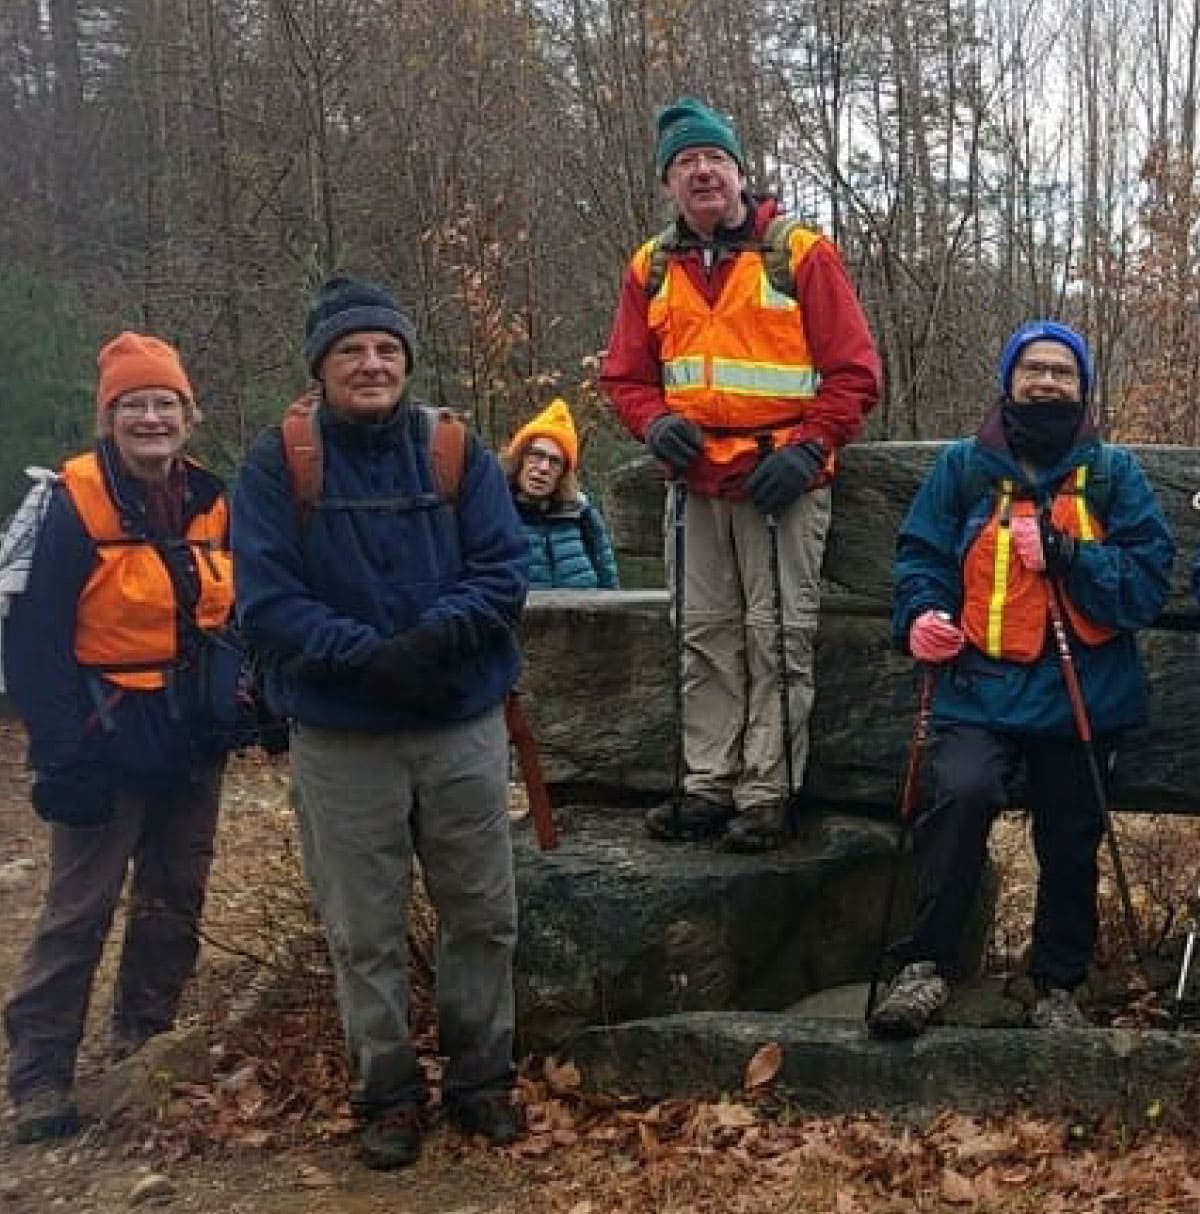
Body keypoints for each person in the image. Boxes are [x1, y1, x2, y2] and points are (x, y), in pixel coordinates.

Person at [231, 276, 529, 1170]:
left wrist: (430, 641)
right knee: (363, 928)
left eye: (387, 351)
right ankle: (389, 1095)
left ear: (406, 362)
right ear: (320, 368)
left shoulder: (453, 450)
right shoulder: (278, 462)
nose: (371, 365)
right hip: (340, 728)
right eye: (352, 352)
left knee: (483, 911)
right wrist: (362, 655)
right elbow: (266, 598)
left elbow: (504, 568)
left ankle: (483, 1081)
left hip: (458, 717)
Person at [870, 320, 1173, 1039]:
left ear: (1082, 386)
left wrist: (1070, 555)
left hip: (1083, 692)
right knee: (963, 791)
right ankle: (927, 967)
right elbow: (920, 558)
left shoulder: (1112, 475)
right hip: (977, 687)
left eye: (1061, 372)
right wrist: (921, 617)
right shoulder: (963, 469)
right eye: (1033, 368)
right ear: (1007, 380)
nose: (1045, 381)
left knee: (1071, 830)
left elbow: (1146, 584)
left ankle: (1057, 983)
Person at [601, 96, 881, 851]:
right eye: (685, 163)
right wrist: (655, 423)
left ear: (739, 172)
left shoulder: (799, 253)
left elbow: (855, 373)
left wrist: (809, 448)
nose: (702, 173)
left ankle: (766, 792)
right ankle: (707, 784)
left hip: (781, 479)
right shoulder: (651, 268)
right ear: (667, 184)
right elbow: (625, 376)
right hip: (695, 482)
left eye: (713, 159)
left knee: (778, 636)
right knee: (703, 636)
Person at [4, 333, 237, 1143]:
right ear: (108, 416)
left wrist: (251, 704)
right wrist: (58, 755)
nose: (150, 417)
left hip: (191, 738)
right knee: (78, 912)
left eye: (163, 403)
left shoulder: (211, 497)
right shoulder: (68, 501)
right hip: (101, 740)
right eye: (133, 404)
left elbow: (231, 615)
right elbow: (32, 641)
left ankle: (144, 1050)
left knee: (175, 901)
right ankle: (39, 1076)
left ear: (187, 414)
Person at [501, 397, 620, 590]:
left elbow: (608, 579)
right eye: (536, 456)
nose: (543, 468)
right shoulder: (495, 509)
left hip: (582, 615)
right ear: (520, 458)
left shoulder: (581, 513)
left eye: (555, 461)